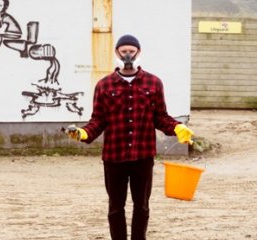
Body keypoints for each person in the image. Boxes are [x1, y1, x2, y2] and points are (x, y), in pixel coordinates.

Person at [65, 34, 194, 240]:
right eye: (123, 51)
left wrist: (177, 127)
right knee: (116, 207)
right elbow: (98, 120)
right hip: (114, 159)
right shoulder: (104, 85)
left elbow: (160, 117)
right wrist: (83, 133)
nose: (127, 55)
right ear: (117, 53)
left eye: (131, 51)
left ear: (138, 53)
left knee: (141, 207)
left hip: (143, 157)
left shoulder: (153, 83)